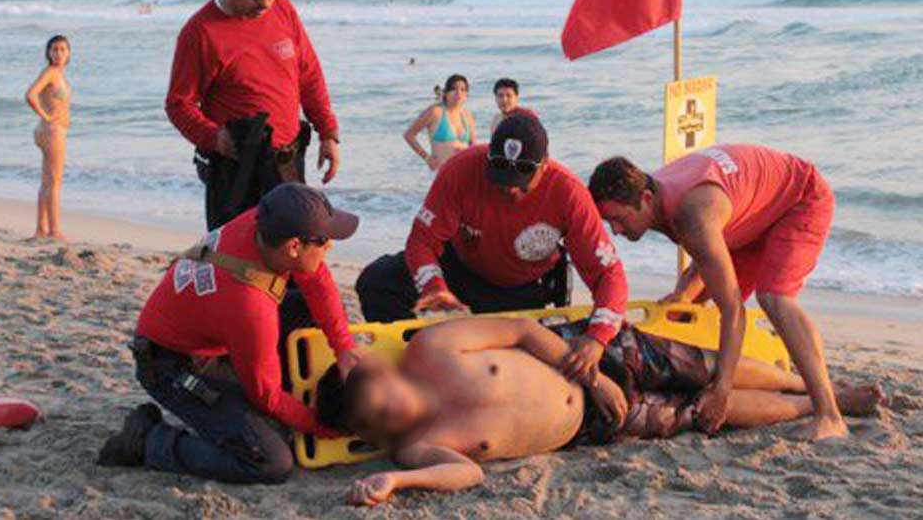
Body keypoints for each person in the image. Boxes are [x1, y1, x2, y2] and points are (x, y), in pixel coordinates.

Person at [316, 316, 883, 506]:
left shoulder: (430, 350)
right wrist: (398, 479)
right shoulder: (414, 447)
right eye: (369, 424)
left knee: (707, 369)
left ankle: (817, 385)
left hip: (589, 356)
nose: (384, 416)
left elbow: (520, 331)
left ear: (377, 374)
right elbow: (469, 472)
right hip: (593, 427)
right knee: (706, 413)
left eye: (374, 402)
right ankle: (809, 404)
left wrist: (590, 373)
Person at [97, 183, 364, 484]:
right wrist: (322, 428)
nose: (330, 246)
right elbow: (267, 395)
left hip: (212, 334)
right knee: (269, 460)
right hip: (169, 366)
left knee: (304, 305)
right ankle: (149, 440)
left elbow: (317, 282)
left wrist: (343, 348)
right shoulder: (249, 305)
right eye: (324, 240)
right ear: (293, 246)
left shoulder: (266, 221)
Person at [588, 145, 845, 441]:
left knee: (774, 297)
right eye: (609, 222)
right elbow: (706, 246)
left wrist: (722, 389)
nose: (616, 231)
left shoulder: (691, 213)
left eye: (618, 219)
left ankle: (830, 415)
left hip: (799, 198)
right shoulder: (659, 195)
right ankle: (807, 388)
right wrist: (684, 293)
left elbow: (733, 309)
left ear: (646, 198)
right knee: (684, 310)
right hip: (746, 218)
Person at [358, 111, 628, 381]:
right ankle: (418, 364)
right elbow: (421, 242)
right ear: (488, 159)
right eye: (500, 180)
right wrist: (434, 287)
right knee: (376, 281)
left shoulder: (568, 193)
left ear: (544, 165)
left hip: (520, 287)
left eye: (521, 186)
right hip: (460, 267)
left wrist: (597, 337)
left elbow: (609, 274)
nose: (510, 190)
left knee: (511, 370)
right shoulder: (461, 169)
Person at [165, 0, 341, 231]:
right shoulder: (200, 32)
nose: (266, 2)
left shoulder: (283, 10)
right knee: (236, 259)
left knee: (296, 248)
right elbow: (178, 104)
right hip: (236, 169)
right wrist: (214, 137)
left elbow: (308, 74)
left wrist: (328, 133)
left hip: (287, 161)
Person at [24, 35, 71, 241]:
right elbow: (30, 95)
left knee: (46, 182)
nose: (58, 53)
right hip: (52, 131)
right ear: (48, 53)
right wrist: (46, 116)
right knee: (54, 183)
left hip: (49, 130)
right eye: (54, 50)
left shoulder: (59, 74)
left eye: (62, 49)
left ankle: (41, 229)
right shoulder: (51, 73)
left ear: (69, 53)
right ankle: (54, 231)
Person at [403, 74, 476, 172]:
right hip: (441, 171)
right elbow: (409, 135)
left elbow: (473, 146)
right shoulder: (435, 112)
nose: (458, 93)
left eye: (463, 90)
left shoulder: (467, 115)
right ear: (446, 92)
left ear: (466, 95)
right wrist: (427, 158)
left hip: (463, 171)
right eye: (454, 89)